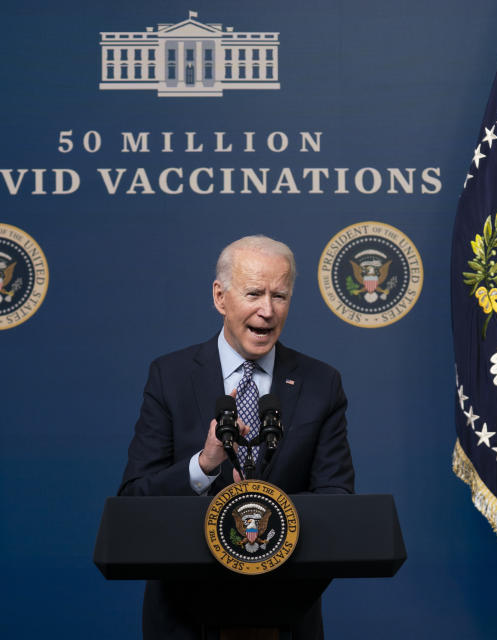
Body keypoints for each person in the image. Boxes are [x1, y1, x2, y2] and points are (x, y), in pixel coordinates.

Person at [119, 235, 355, 639]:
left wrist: (271, 517)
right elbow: (135, 501)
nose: (267, 311)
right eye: (253, 293)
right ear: (220, 297)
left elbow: (336, 500)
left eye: (279, 296)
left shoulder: (321, 383)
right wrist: (204, 465)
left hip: (286, 617)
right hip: (184, 618)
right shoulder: (170, 377)